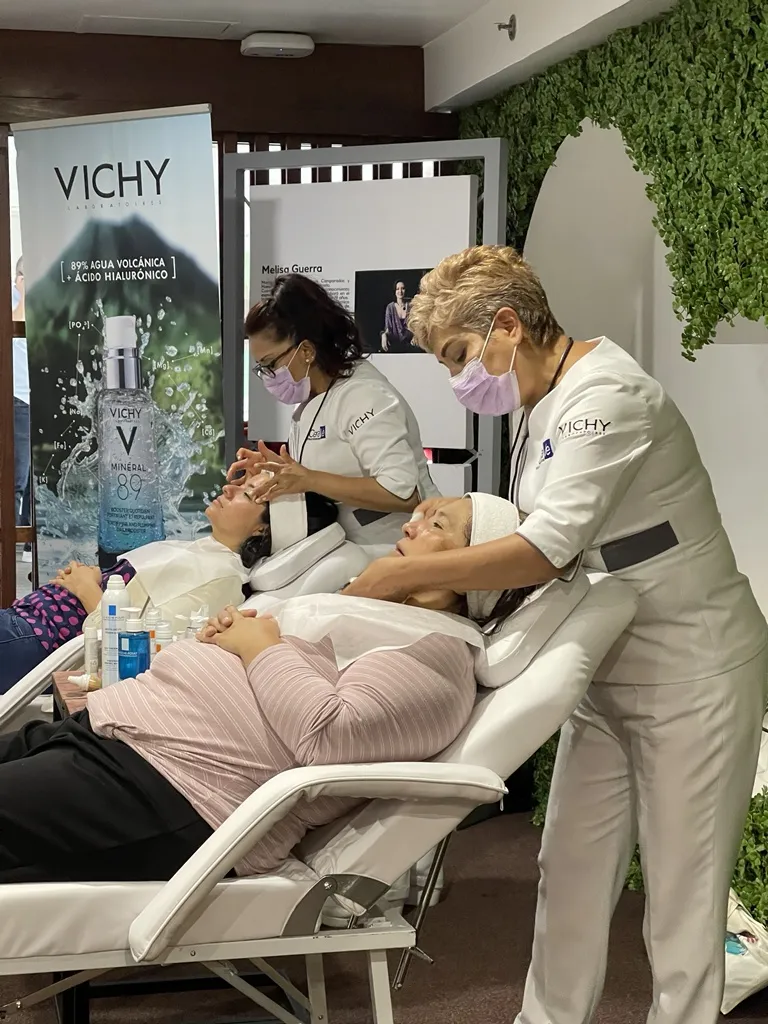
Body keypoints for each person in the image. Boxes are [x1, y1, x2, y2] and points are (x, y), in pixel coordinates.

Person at [343, 245, 768, 1024]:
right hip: (602, 670)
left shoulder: (610, 397)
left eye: (459, 356)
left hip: (693, 670)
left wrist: (399, 577)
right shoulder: (542, 401)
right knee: (569, 869)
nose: (458, 378)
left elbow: (547, 548)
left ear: (508, 326)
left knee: (682, 897)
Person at [0, 493, 531, 884]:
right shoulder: (386, 621)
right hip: (119, 740)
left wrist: (257, 648)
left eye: (437, 524)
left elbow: (330, 735)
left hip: (177, 790)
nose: (411, 525)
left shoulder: (438, 656)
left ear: (478, 569)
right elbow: (284, 675)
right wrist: (229, 642)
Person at [0, 474, 338, 694]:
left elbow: (141, 649)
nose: (228, 488)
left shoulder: (221, 581)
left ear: (262, 530)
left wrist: (87, 588)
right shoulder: (202, 551)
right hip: (24, 625)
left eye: (246, 494)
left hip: (37, 640)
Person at [230, 273, 439, 546]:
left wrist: (309, 479)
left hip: (405, 545)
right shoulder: (313, 400)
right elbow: (325, 475)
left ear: (306, 351)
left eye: (270, 364)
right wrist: (277, 471)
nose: (267, 376)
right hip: (353, 551)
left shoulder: (362, 396)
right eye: (261, 367)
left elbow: (403, 493)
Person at [11, 256, 31, 561]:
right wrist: (25, 294)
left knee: (36, 481)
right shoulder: (12, 301)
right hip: (18, 399)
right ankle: (10, 545)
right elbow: (15, 328)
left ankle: (29, 544)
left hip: (38, 398)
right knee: (17, 477)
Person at [381, 279, 414, 352]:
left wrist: (416, 337)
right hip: (395, 347)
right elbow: (388, 329)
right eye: (397, 289)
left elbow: (416, 327)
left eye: (403, 288)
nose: (400, 291)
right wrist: (384, 335)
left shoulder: (411, 306)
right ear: (394, 291)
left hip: (410, 346)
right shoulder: (390, 307)